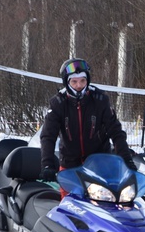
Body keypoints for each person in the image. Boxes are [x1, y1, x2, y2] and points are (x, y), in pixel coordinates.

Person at [39, 58, 136, 189]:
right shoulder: (58, 103)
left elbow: (116, 132)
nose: (79, 85)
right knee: (69, 205)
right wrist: (47, 164)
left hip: (99, 165)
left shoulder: (100, 100)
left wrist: (126, 159)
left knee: (105, 203)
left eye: (82, 80)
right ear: (66, 82)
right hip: (70, 167)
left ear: (87, 80)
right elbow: (48, 136)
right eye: (74, 81)